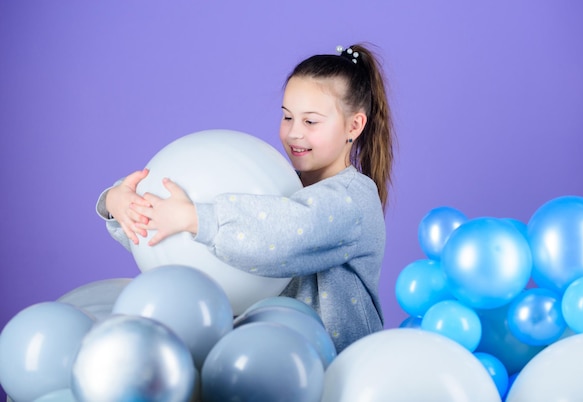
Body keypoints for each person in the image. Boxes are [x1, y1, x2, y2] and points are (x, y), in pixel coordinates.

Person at [96, 43, 395, 353]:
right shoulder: (275, 185)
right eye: (287, 117)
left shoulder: (354, 199)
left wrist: (195, 217)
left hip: (332, 370)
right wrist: (120, 203)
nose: (294, 133)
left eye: (310, 121)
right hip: (263, 363)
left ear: (354, 125)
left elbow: (286, 235)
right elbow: (182, 245)